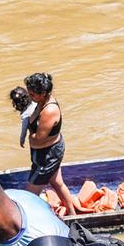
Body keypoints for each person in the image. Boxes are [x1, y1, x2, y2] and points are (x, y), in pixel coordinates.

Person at [20, 73, 81, 214]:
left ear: (43, 93)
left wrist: (30, 138)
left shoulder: (49, 110)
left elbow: (39, 138)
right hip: (45, 152)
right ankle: (73, 215)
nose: (30, 97)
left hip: (47, 155)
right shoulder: (41, 102)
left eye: (32, 94)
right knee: (57, 183)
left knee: (29, 196)